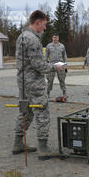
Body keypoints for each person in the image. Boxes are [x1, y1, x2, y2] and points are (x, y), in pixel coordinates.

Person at [13, 10, 65, 160]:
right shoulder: (33, 40)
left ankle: (18, 143)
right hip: (34, 83)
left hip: (23, 82)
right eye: (44, 24)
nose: (45, 28)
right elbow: (39, 65)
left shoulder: (22, 36)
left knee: (26, 111)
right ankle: (43, 148)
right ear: (38, 22)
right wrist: (55, 67)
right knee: (42, 112)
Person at [45, 34, 68, 98]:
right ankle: (47, 93)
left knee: (62, 80)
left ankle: (64, 93)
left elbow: (64, 56)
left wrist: (65, 64)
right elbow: (46, 56)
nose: (55, 39)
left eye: (56, 37)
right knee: (50, 80)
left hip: (60, 64)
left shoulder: (62, 46)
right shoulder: (49, 46)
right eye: (54, 37)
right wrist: (46, 64)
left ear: (58, 38)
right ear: (52, 38)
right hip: (51, 64)